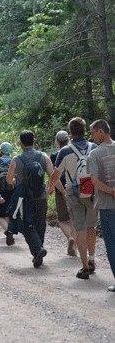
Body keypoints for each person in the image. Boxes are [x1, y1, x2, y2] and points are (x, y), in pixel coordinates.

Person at [50, 117, 97, 279]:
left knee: (80, 229)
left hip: (73, 191)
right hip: (91, 189)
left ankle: (85, 267)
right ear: (84, 131)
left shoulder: (65, 151)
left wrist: (50, 188)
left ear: (70, 132)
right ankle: (92, 259)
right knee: (91, 226)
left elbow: (56, 175)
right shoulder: (94, 147)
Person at [7, 130, 61, 268]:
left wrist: (15, 181)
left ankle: (38, 250)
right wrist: (52, 188)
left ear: (20, 143)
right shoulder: (43, 157)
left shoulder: (16, 160)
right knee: (40, 224)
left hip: (25, 199)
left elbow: (8, 179)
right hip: (41, 196)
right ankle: (39, 251)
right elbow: (53, 174)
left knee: (27, 225)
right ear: (34, 141)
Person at [87, 119, 115, 292]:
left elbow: (94, 180)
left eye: (93, 133)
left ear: (100, 132)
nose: (92, 136)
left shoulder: (95, 154)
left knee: (112, 244)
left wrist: (112, 192)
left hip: (107, 205)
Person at [50, 131, 76, 256]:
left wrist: (53, 189)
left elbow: (54, 175)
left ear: (57, 141)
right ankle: (74, 240)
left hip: (60, 189)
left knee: (62, 220)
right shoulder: (74, 151)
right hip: (75, 187)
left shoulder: (54, 155)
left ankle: (70, 238)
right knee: (73, 218)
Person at [0, 142, 14, 245]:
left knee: (0, 214)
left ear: (1, 150)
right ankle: (10, 230)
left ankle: (7, 230)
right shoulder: (14, 160)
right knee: (8, 213)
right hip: (12, 190)